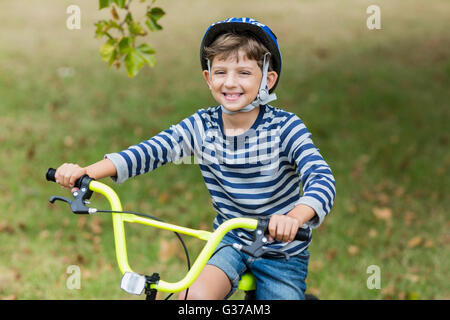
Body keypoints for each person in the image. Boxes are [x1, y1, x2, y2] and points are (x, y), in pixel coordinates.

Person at [54, 17, 336, 300]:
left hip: (281, 252)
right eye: (221, 71)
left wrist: (294, 218)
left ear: (268, 79)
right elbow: (150, 151)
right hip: (230, 242)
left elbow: (321, 179)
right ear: (208, 77)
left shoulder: (286, 128)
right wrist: (86, 172)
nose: (230, 82)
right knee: (190, 298)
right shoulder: (202, 126)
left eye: (244, 73)